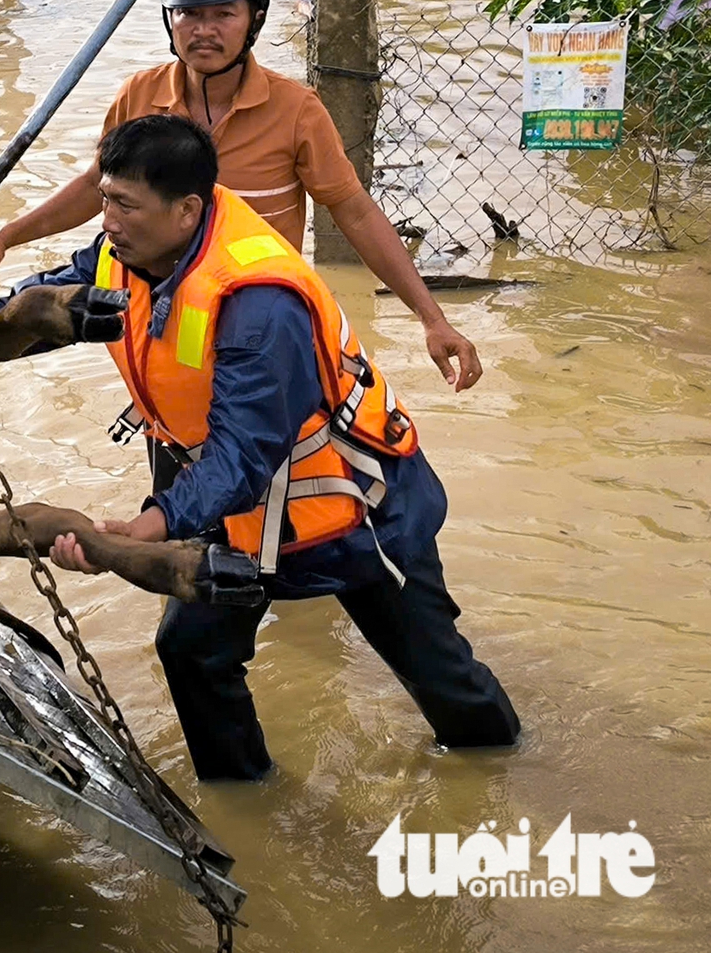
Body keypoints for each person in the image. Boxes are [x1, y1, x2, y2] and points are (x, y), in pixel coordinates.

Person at [33, 116, 520, 780]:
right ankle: (242, 797)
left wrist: (143, 531)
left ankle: (505, 774)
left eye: (124, 204)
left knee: (441, 678)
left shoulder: (259, 302)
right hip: (236, 511)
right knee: (191, 649)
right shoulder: (127, 252)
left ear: (186, 211)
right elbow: (40, 307)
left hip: (355, 512)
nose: (106, 221)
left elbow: (241, 455)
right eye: (105, 200)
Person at [0, 0, 482, 392]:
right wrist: (5, 238)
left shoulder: (296, 111)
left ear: (254, 20)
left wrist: (432, 319)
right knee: (0, 329)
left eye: (223, 14)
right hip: (153, 308)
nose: (203, 30)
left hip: (250, 313)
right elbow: (95, 188)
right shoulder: (140, 95)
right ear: (168, 20)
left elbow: (355, 212)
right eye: (189, 14)